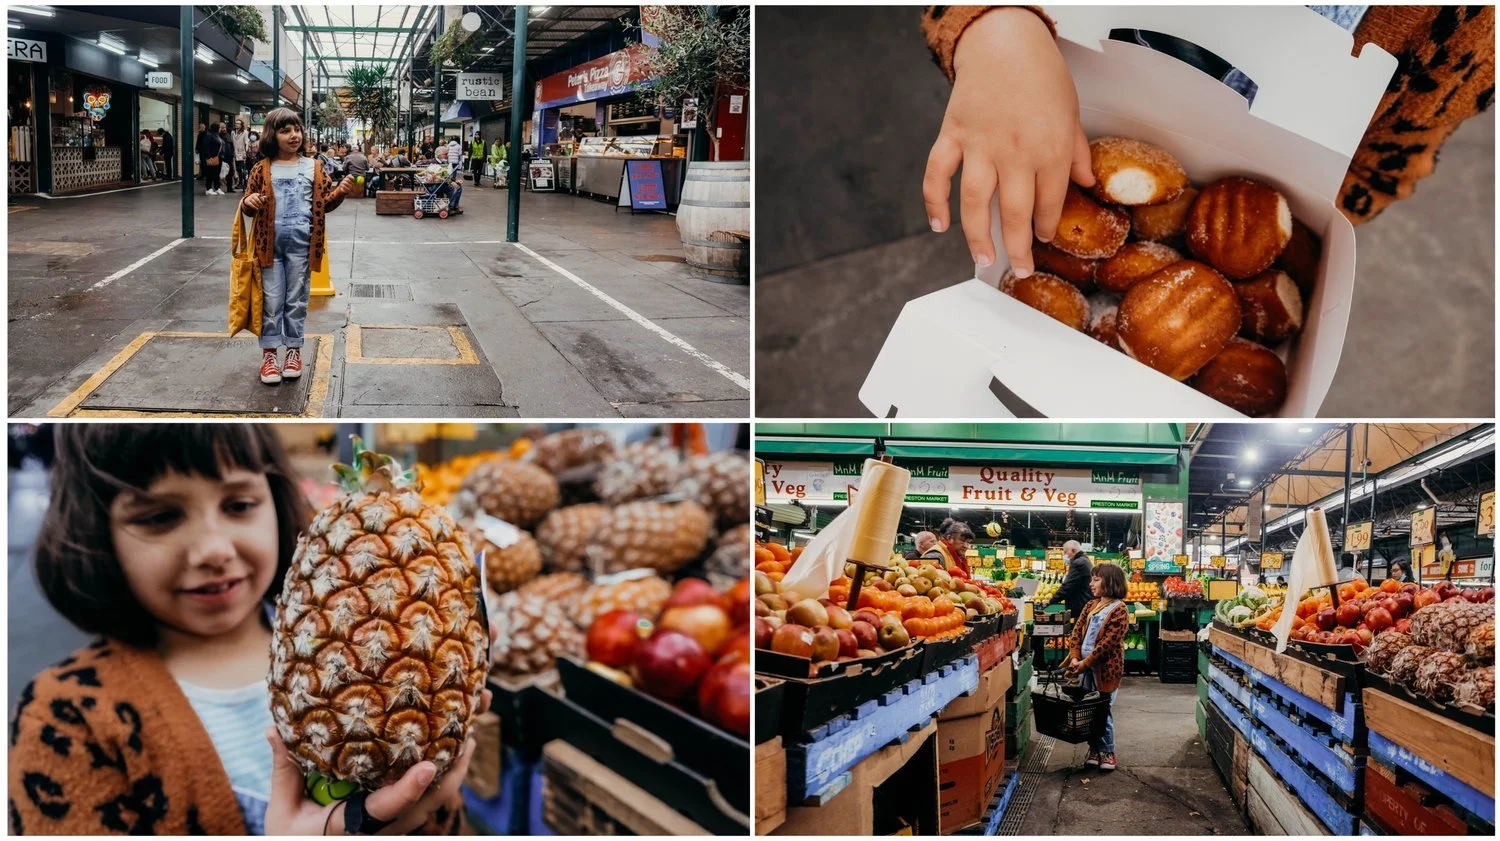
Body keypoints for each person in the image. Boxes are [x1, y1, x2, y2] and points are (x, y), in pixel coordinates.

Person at [8, 424, 482, 834]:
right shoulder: (66, 717)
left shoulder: (371, 639)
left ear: (275, 500)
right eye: (159, 516)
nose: (214, 549)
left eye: (238, 505)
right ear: (96, 530)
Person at [919, 6, 1495, 275]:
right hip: (1058, 131)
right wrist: (994, 25)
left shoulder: (1471, 28)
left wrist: (1323, 212)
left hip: (1283, 175)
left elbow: (1400, 147)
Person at [240, 108, 358, 385]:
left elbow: (323, 204)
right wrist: (249, 202)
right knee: (271, 301)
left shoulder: (314, 167)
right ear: (272, 135)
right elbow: (246, 202)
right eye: (285, 131)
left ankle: (293, 351)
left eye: (297, 129)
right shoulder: (262, 168)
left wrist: (340, 192)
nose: (294, 136)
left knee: (296, 300)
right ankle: (269, 354)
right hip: (268, 247)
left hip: (302, 246)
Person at [1064, 563, 1129, 772]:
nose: (1091, 584)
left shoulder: (1119, 609)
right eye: (1092, 579)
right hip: (1084, 668)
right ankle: (1094, 749)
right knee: (1089, 710)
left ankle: (1108, 751)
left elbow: (1107, 645)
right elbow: (1076, 632)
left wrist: (1084, 663)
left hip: (1106, 669)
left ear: (1110, 582)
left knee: (1103, 710)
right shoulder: (1090, 606)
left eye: (1096, 579)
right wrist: (1075, 657)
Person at [1049, 539, 1094, 618]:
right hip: (1085, 602)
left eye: (1065, 552)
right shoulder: (1084, 559)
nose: (1064, 555)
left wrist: (1052, 600)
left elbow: (1068, 585)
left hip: (1079, 605)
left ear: (1073, 551)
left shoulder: (1078, 563)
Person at [195, 121, 223, 195]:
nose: (221, 129)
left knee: (216, 173)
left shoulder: (217, 135)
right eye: (220, 128)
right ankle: (208, 188)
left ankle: (217, 188)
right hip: (210, 157)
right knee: (210, 173)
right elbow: (205, 147)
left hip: (216, 157)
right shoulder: (209, 135)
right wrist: (208, 156)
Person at [231, 117, 250, 191]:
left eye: (238, 123)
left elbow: (246, 142)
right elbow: (232, 142)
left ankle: (245, 184)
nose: (236, 125)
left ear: (241, 125)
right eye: (236, 123)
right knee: (238, 169)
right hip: (235, 153)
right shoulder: (233, 132)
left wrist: (246, 152)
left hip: (242, 153)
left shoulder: (245, 132)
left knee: (243, 169)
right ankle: (240, 183)